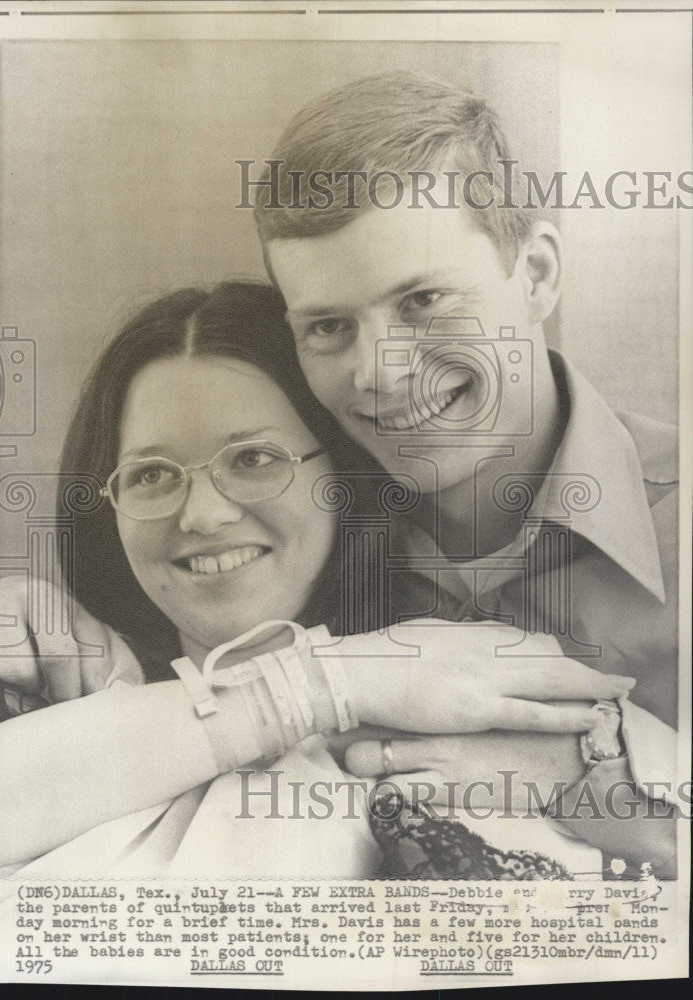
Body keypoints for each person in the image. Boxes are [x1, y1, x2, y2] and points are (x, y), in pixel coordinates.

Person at [0, 282, 625, 878]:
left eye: (255, 459)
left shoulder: (491, 685)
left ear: (345, 479)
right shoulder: (46, 705)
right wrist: (322, 685)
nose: (203, 514)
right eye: (152, 475)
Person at [250, 71, 680, 874]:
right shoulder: (288, 539)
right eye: (328, 327)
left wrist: (587, 780)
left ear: (537, 275)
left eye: (421, 302)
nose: (375, 371)